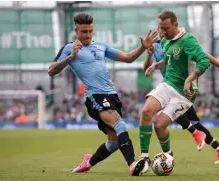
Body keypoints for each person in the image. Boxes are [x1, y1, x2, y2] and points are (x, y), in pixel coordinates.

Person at [48, 13, 158, 176]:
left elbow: (128, 58)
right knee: (120, 125)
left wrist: (143, 47)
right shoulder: (69, 48)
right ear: (76, 30)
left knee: (113, 142)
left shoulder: (101, 46)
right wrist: (71, 57)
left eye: (90, 31)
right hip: (96, 97)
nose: (87, 35)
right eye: (84, 32)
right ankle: (133, 164)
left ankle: (88, 162)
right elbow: (51, 70)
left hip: (112, 95)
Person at [139, 10, 219, 170]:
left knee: (163, 124)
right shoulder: (164, 41)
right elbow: (167, 61)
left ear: (175, 24)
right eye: (160, 28)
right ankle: (145, 159)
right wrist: (154, 64)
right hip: (167, 84)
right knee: (146, 112)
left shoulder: (188, 40)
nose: (162, 32)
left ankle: (203, 139)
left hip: (184, 92)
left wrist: (193, 78)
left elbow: (204, 59)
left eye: (166, 28)